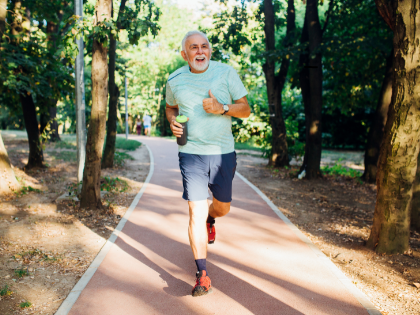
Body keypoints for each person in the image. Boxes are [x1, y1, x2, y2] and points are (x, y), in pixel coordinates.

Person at [165, 30, 251, 297]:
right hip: (190, 153)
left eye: (204, 46)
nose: (200, 52)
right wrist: (172, 121)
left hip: (223, 153)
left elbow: (246, 110)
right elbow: (170, 107)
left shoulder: (226, 73)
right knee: (195, 212)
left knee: (222, 207)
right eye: (193, 47)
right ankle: (202, 274)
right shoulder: (175, 79)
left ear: (209, 51)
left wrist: (222, 107)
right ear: (184, 54)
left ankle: (212, 219)